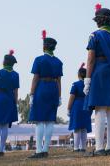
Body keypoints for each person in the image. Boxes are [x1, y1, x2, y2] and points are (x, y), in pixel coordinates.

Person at [83, 4, 110, 156]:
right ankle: (109, 147)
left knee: (100, 110)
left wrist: (87, 80)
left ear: (99, 21)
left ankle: (99, 147)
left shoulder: (94, 36)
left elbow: (90, 60)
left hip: (99, 73)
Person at [28, 30, 63, 158]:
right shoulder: (59, 62)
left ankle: (38, 150)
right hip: (54, 89)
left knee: (39, 121)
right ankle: (45, 149)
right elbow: (59, 81)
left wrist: (32, 94)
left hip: (42, 88)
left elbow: (35, 78)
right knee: (49, 121)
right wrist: (59, 96)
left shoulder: (39, 60)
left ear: (44, 47)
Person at [67, 63, 92, 153]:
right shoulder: (90, 85)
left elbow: (72, 97)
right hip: (86, 106)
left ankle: (76, 148)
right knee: (84, 128)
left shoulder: (75, 84)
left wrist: (68, 108)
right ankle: (83, 147)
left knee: (77, 127)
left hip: (77, 106)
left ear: (78, 75)